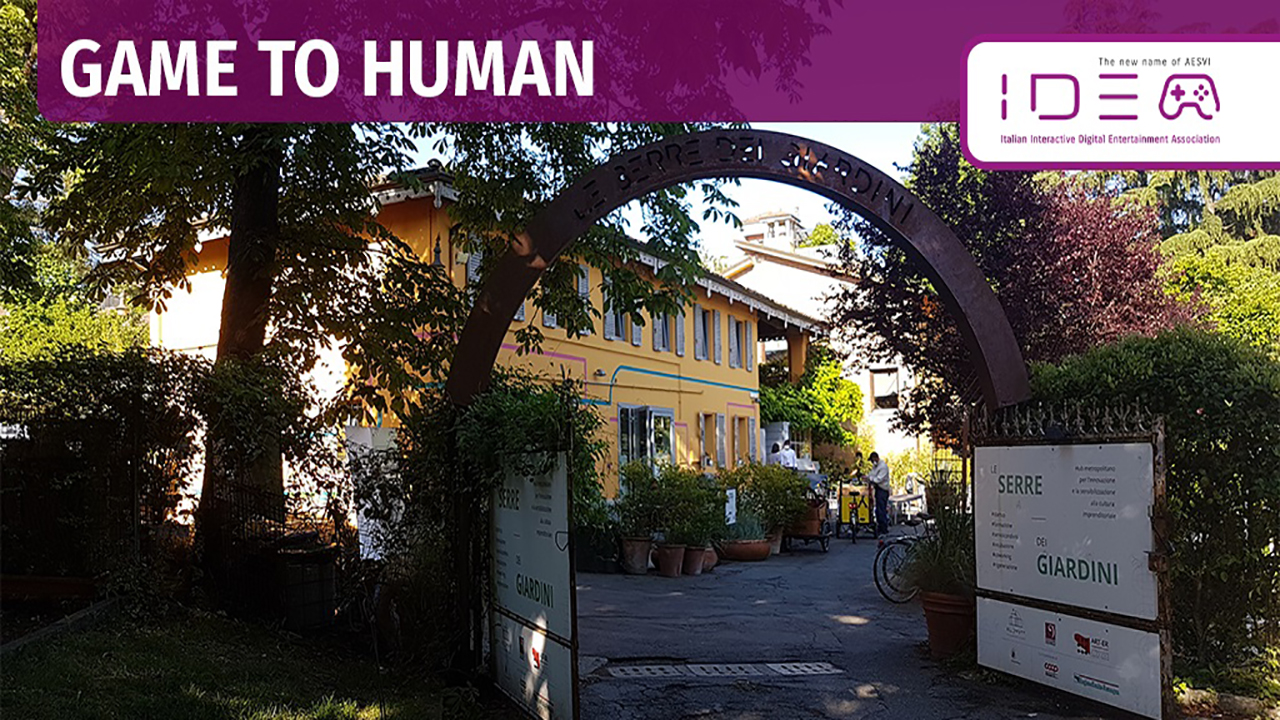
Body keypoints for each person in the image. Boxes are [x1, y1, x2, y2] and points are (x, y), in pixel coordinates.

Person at [867, 452, 892, 537]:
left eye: (872, 460)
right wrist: (867, 477)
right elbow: (872, 474)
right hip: (878, 489)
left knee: (881, 509)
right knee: (878, 510)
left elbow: (878, 479)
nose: (872, 462)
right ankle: (880, 526)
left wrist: (870, 479)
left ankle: (883, 528)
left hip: (883, 490)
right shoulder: (876, 466)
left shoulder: (883, 467)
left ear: (875, 458)